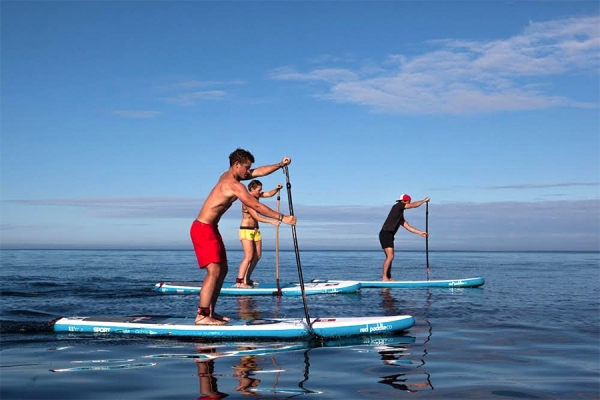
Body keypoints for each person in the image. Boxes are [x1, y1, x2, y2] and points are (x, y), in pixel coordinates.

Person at [190, 148, 297, 325]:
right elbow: (256, 206)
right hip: (203, 229)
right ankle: (201, 315)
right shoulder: (233, 185)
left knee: (222, 270)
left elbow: (259, 171)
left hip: (210, 228)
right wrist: (282, 217)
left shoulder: (229, 175)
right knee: (214, 271)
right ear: (237, 165)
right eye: (246, 168)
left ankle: (211, 312)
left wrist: (280, 165)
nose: (249, 172)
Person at [236, 180, 282, 288]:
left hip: (256, 230)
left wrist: (277, 189)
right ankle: (239, 282)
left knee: (258, 256)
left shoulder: (257, 196)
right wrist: (271, 221)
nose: (260, 192)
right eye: (258, 190)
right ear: (251, 189)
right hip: (246, 229)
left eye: (261, 190)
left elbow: (269, 194)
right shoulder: (247, 200)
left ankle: (247, 279)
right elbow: (256, 216)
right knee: (248, 256)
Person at [379, 194, 430, 281]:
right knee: (390, 256)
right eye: (409, 202)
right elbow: (413, 205)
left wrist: (420, 232)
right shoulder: (398, 205)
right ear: (405, 201)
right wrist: (423, 201)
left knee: (390, 257)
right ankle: (384, 277)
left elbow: (408, 227)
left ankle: (388, 277)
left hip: (388, 234)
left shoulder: (399, 215)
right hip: (386, 233)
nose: (409, 204)